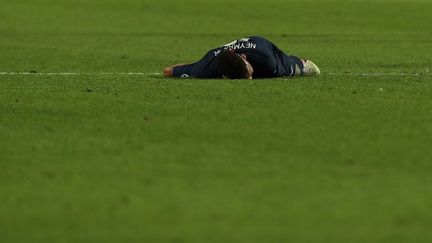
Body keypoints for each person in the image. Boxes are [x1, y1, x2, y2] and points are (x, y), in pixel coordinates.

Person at [163, 36, 320, 79]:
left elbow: (281, 67)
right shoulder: (208, 65)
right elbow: (169, 71)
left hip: (261, 45)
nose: (250, 79)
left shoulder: (267, 62)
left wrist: (298, 64)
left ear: (244, 57)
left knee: (293, 69)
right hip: (234, 51)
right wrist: (193, 67)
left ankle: (302, 63)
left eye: (250, 73)